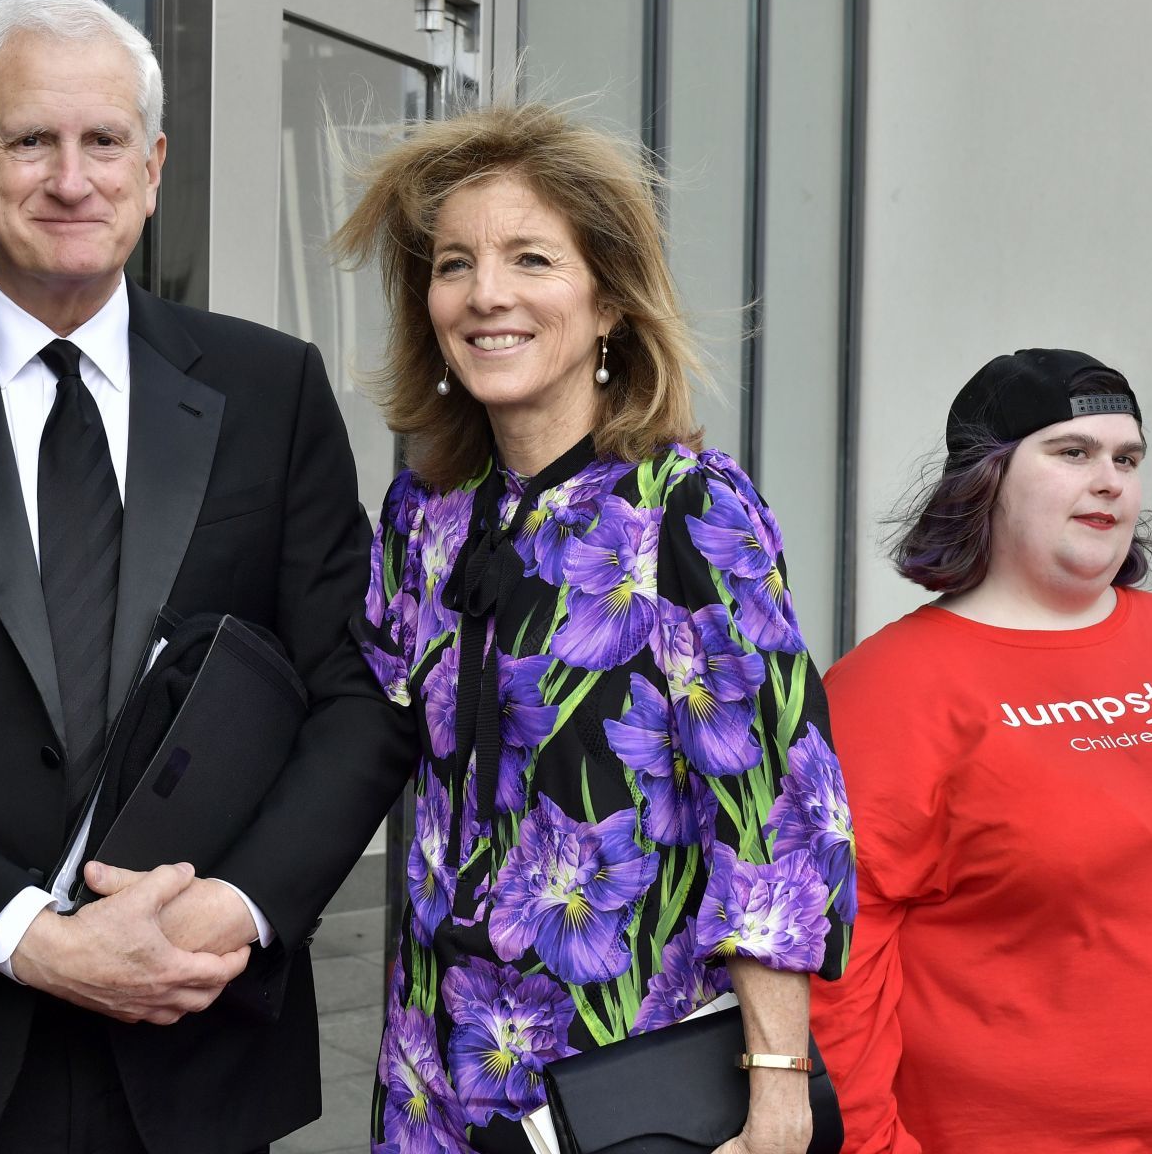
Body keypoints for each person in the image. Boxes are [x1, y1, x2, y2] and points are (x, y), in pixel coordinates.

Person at [0, 0, 414, 1153]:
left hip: (187, 1042)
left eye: (104, 139)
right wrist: (34, 935)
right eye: (30, 140)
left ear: (152, 167)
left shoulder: (273, 393)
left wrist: (233, 909)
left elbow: (352, 698)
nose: (72, 177)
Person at [336, 102, 855, 1154]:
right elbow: (360, 736)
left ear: (610, 299)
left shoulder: (689, 509)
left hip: (628, 1077)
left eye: (532, 258)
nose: (487, 295)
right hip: (436, 1074)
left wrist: (778, 1085)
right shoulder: (422, 517)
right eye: (453, 265)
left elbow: (773, 818)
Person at [807, 348, 1152, 1152]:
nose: (1111, 480)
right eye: (1073, 452)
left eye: (1128, 458)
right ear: (986, 478)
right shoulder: (888, 688)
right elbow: (834, 973)